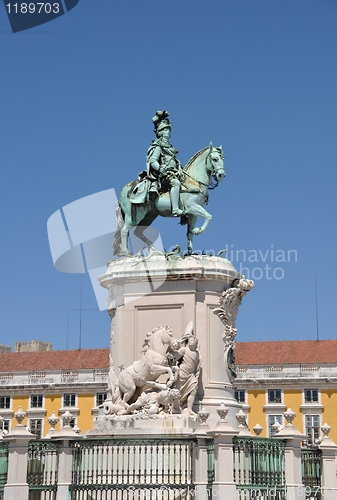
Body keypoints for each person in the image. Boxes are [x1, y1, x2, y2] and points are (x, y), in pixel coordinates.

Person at [133, 111, 184, 216]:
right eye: (165, 130)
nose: (168, 132)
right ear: (160, 132)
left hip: (174, 173)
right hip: (164, 175)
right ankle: (175, 209)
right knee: (176, 183)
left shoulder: (170, 147)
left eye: (169, 130)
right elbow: (152, 160)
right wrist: (160, 168)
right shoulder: (158, 146)